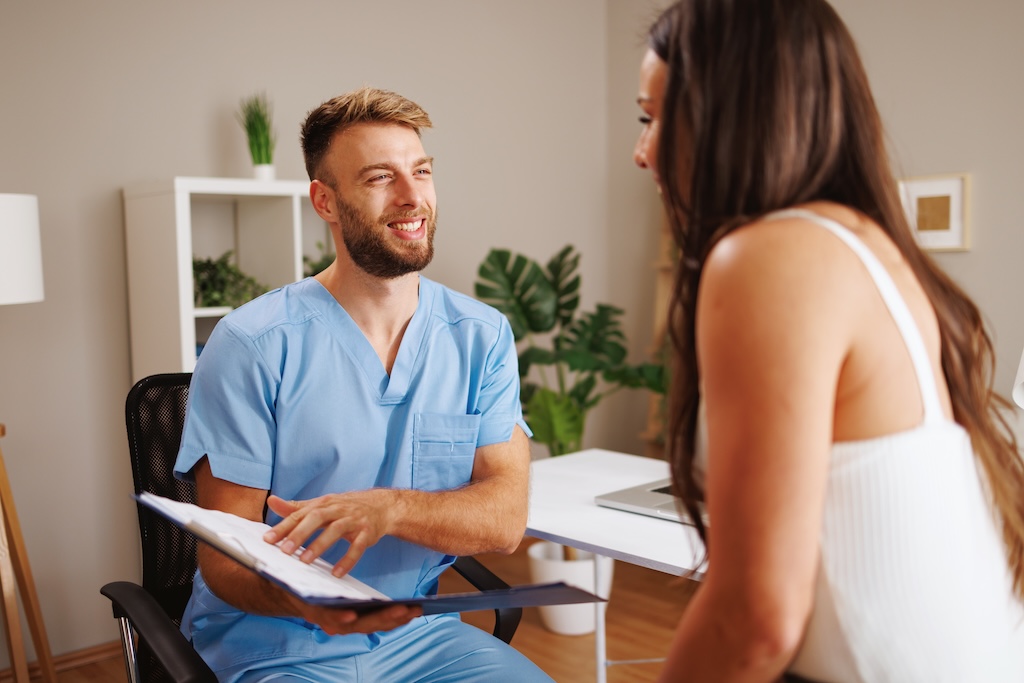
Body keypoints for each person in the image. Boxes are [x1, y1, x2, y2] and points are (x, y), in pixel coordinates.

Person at [633, 1, 1024, 681]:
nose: (643, 152)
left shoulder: (771, 256)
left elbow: (756, 617)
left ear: (734, 112)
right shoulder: (871, 245)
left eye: (653, 118)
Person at [173, 86, 552, 682]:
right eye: (380, 178)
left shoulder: (481, 336)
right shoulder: (252, 343)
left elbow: (504, 520)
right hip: (275, 641)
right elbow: (225, 564)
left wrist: (390, 509)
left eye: (421, 171)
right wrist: (308, 602)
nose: (412, 197)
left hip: (417, 634)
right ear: (325, 201)